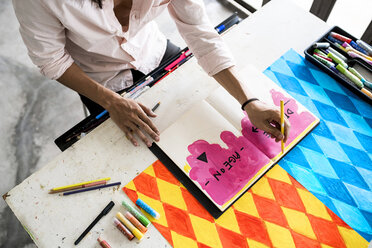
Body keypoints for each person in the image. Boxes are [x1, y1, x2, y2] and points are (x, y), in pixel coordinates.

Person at [12, 0, 290, 147]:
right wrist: (111, 102)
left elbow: (201, 35)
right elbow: (52, 61)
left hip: (154, 52)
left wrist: (248, 101)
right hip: (99, 78)